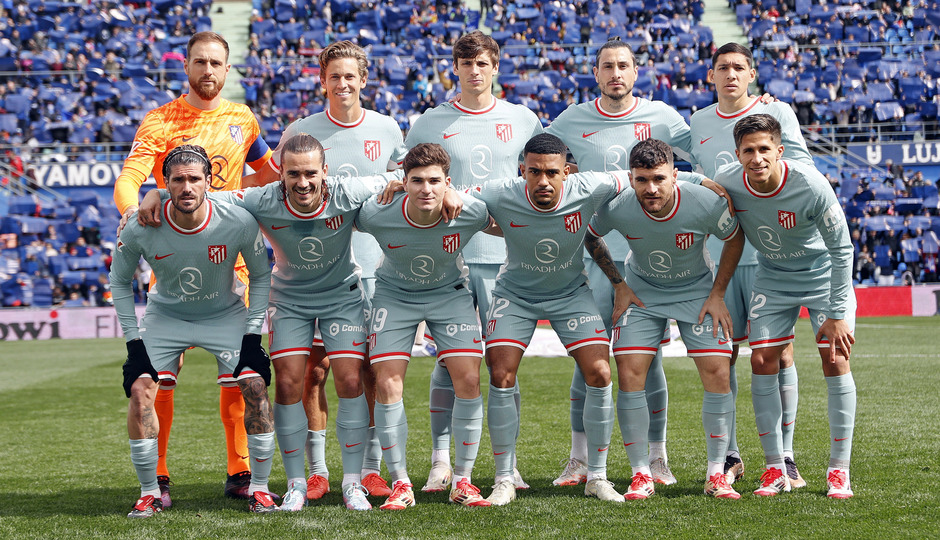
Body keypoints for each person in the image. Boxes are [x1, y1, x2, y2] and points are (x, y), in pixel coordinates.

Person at [136, 134, 453, 511]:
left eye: (309, 173)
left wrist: (436, 189)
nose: (302, 182)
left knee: (351, 379)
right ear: (281, 174)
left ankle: (352, 482)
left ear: (325, 172)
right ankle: (297, 484)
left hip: (342, 296)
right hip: (289, 301)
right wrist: (157, 192)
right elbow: (203, 195)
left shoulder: (348, 191)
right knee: (287, 383)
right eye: (292, 174)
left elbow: (394, 178)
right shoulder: (262, 198)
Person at [112, 31, 273, 504]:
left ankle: (241, 473)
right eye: (199, 62)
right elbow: (130, 179)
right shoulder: (161, 121)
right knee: (165, 370)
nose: (208, 71)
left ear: (227, 70)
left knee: (238, 373)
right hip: (177, 253)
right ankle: (157, 475)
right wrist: (138, 210)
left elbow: (263, 172)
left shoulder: (242, 117)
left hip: (232, 259)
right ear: (186, 66)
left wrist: (245, 207)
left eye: (216, 63)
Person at [247, 40, 406, 502]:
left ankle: (369, 470)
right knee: (308, 374)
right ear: (322, 80)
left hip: (370, 266)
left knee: (366, 373)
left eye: (350, 75)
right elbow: (273, 194)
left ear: (363, 79)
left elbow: (399, 183)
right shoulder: (300, 131)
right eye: (333, 76)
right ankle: (314, 471)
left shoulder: (386, 127)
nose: (342, 83)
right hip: (305, 269)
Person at [544, 37, 701, 487]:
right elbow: (541, 162)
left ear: (636, 73)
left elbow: (706, 153)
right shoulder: (571, 119)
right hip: (587, 255)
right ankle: (579, 459)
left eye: (624, 66)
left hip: (648, 257)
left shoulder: (664, 118)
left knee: (645, 359)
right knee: (587, 357)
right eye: (607, 66)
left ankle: (657, 458)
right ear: (596, 74)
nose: (616, 73)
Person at [404, 30, 542, 492]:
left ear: (495, 66)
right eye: (466, 64)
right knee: (448, 362)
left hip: (510, 256)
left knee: (505, 362)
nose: (475, 71)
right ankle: (441, 462)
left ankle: (509, 461)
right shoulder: (429, 123)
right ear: (455, 68)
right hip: (452, 258)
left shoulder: (523, 119)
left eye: (482, 63)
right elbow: (410, 184)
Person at [584, 138, 745, 500]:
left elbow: (734, 238)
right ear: (631, 178)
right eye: (642, 180)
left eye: (659, 178)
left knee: (719, 371)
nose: (651, 188)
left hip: (698, 293)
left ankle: (716, 473)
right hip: (641, 294)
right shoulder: (619, 206)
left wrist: (718, 293)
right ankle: (641, 473)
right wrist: (619, 284)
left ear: (676, 175)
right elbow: (591, 237)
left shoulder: (705, 201)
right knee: (629, 373)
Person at [472, 133, 627, 505]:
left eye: (552, 172)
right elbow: (451, 193)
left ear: (567, 172)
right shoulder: (499, 191)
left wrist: (700, 181)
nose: (543, 180)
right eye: (534, 172)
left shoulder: (589, 186)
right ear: (522, 171)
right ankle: (504, 477)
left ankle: (597, 476)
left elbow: (642, 174)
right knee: (500, 374)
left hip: (571, 294)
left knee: (601, 373)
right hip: (516, 296)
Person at [690, 42, 816, 486]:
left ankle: (785, 454)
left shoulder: (777, 114)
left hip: (767, 253)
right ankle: (730, 455)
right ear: (711, 76)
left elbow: (801, 167)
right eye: (722, 67)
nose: (730, 74)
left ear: (752, 74)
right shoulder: (698, 122)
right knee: (724, 355)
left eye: (739, 67)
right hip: (724, 255)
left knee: (778, 353)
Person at [714, 114, 857, 498]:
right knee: (761, 360)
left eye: (764, 149)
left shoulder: (811, 185)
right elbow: (696, 188)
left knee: (835, 358)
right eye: (748, 150)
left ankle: (838, 471)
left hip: (822, 275)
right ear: (737, 154)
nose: (757, 158)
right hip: (773, 277)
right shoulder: (727, 182)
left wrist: (839, 314)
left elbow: (843, 250)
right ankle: (775, 468)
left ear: (780, 150)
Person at [355, 143, 497, 510]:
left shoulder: (469, 210)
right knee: (387, 381)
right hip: (394, 294)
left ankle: (463, 480)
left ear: (448, 182)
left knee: (468, 378)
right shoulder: (377, 212)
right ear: (404, 182)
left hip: (449, 293)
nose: (426, 189)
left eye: (435, 181)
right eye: (416, 180)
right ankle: (401, 481)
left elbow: (503, 221)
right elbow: (339, 215)